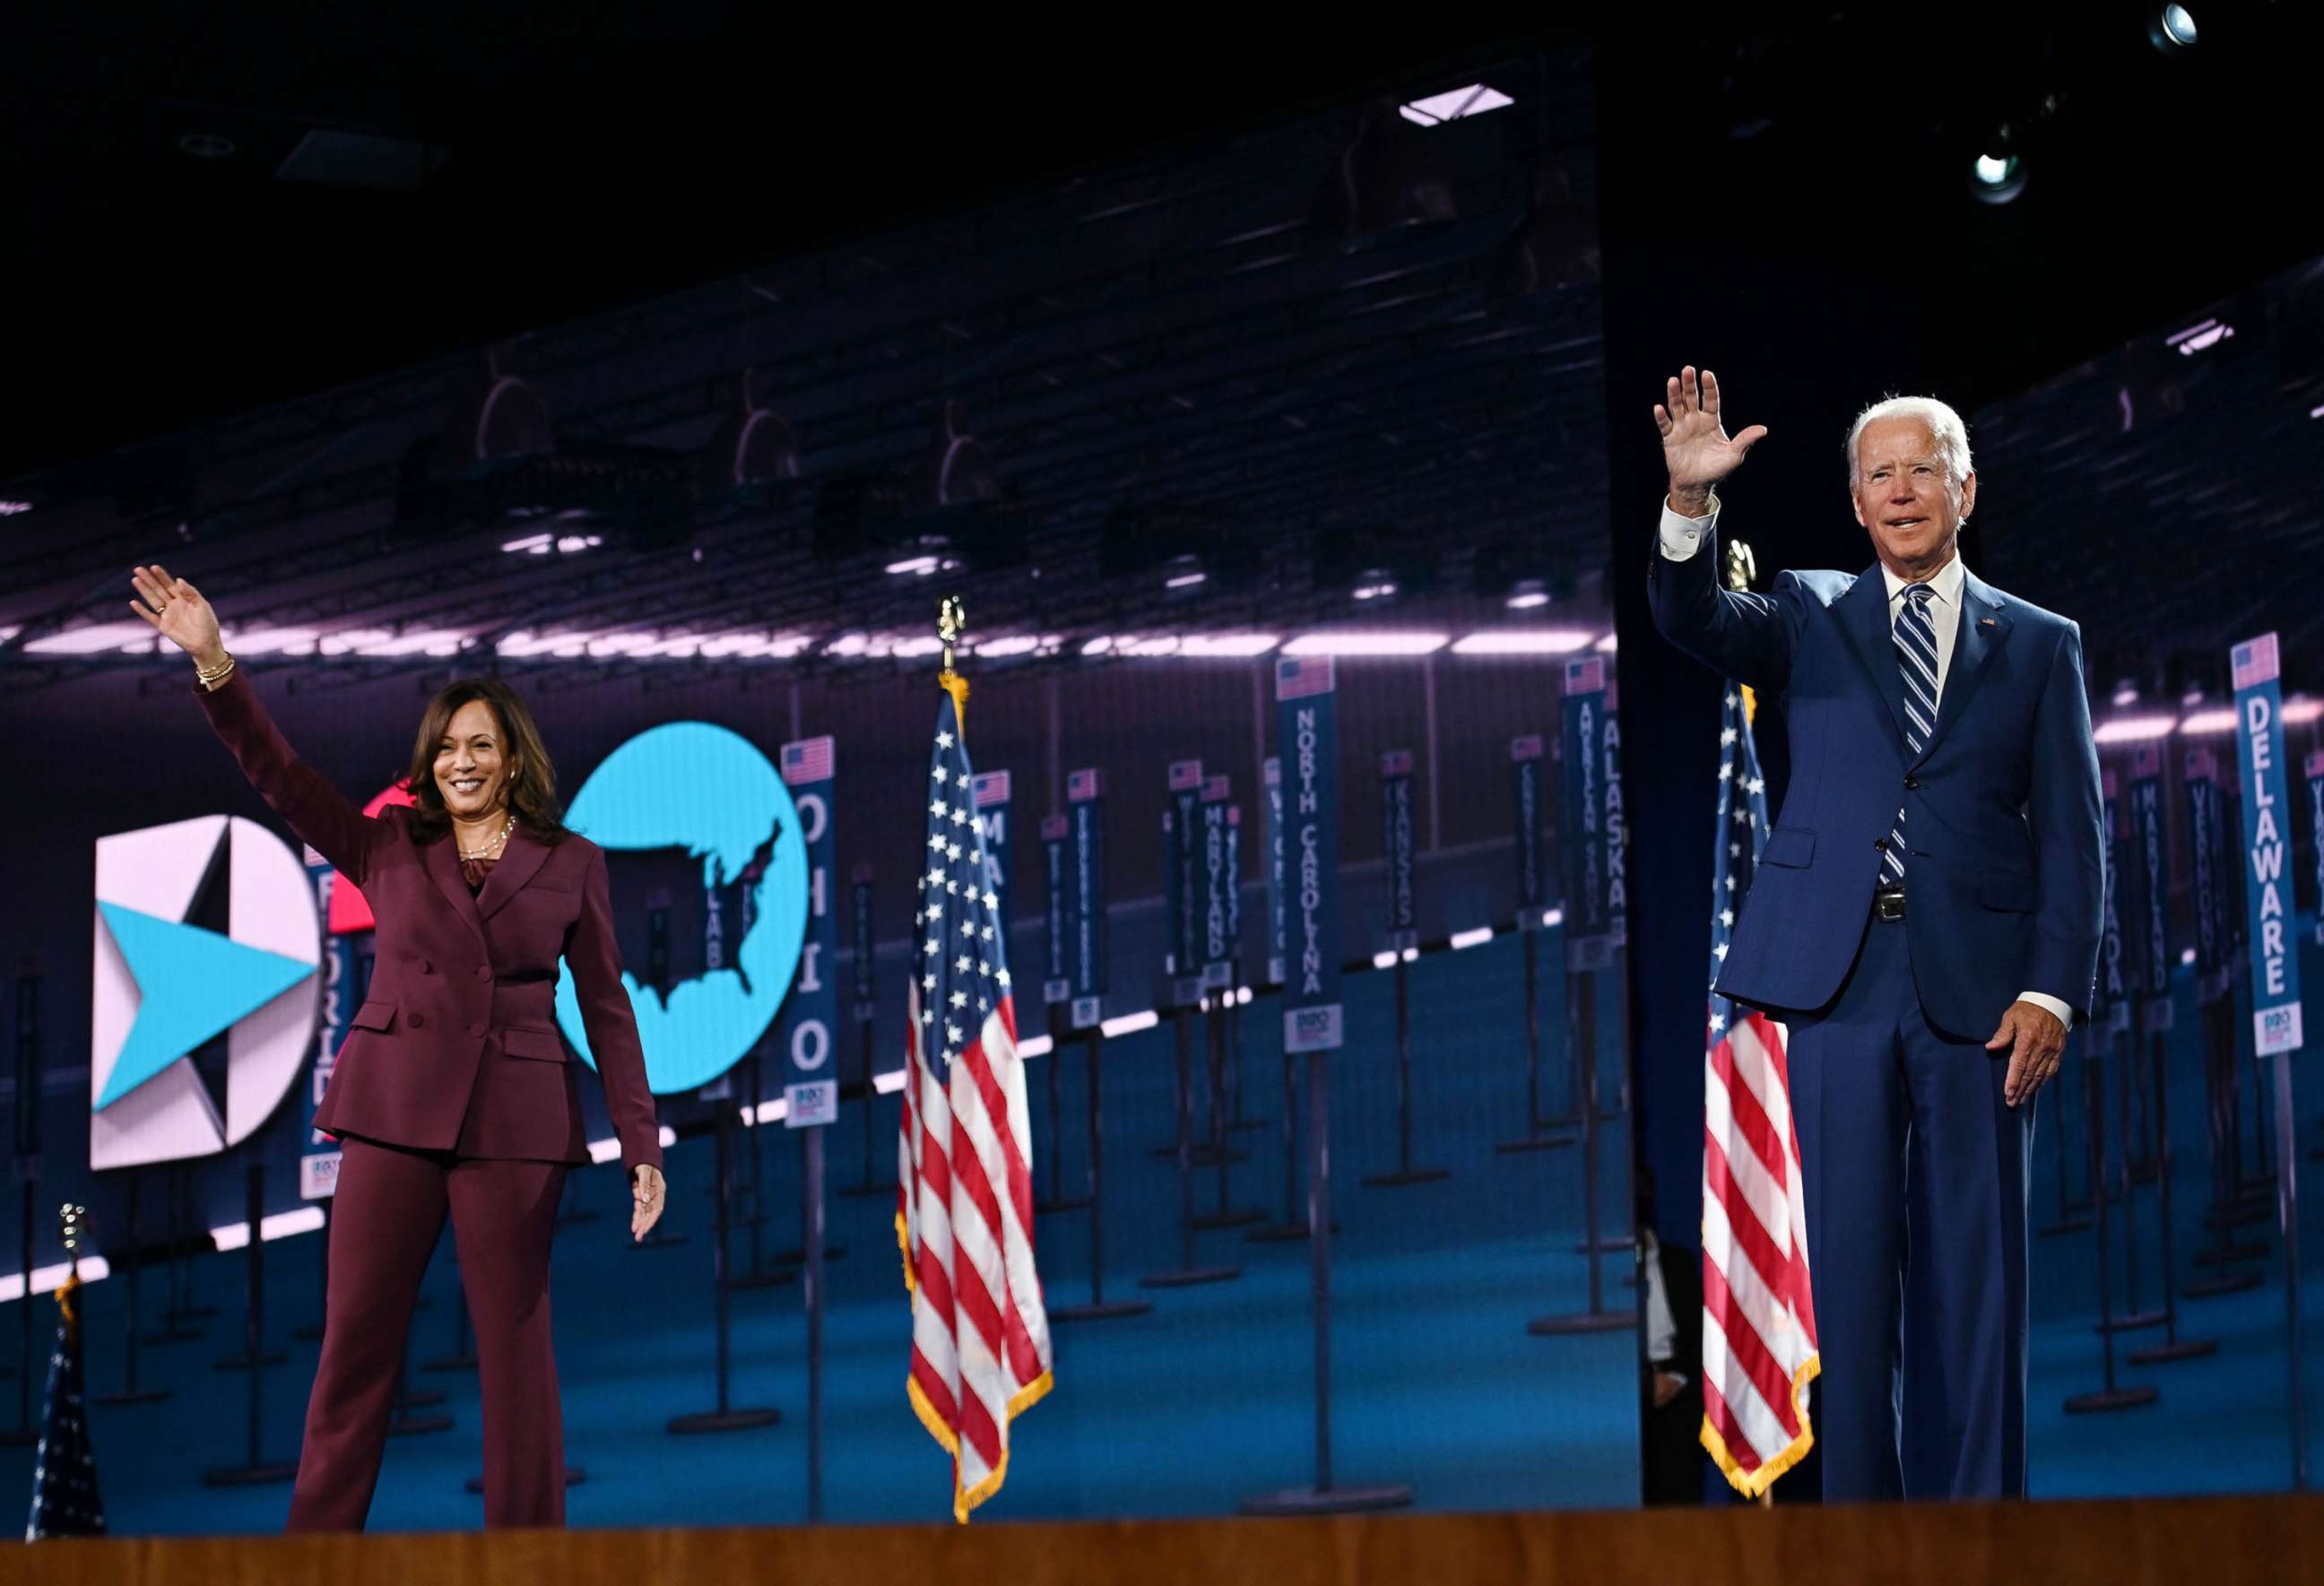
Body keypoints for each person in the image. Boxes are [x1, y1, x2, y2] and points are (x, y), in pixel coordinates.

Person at [128, 563, 668, 1530]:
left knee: (517, 1357)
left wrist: (642, 1144)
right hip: (391, 1117)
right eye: (447, 745)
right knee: (355, 1350)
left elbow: (606, 1005)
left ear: (512, 760)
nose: (462, 759)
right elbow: (282, 778)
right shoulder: (387, 842)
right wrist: (216, 664)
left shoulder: (571, 862)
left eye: (481, 744)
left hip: (515, 1124)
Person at [1645, 370, 2103, 1501]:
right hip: (1836, 983)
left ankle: (1982, 1538)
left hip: (1983, 996)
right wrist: (1690, 509)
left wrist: (2051, 990)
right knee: (1846, 1279)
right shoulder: (1804, 610)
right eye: (1879, 473)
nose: (1902, 490)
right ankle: (1865, 1537)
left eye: (1922, 470)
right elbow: (1690, 616)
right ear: (1855, 501)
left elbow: (2076, 834)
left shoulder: (2041, 644)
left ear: (1965, 488)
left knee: (1977, 1283)